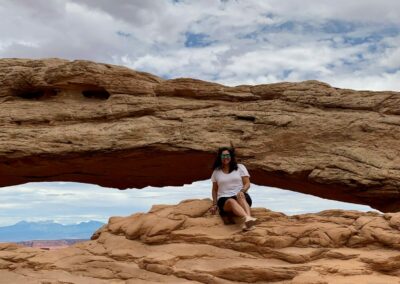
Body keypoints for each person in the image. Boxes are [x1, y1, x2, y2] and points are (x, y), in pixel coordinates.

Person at [209, 146, 258, 231]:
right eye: (223, 156)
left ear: (231, 156)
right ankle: (248, 218)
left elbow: (247, 183)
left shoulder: (240, 167)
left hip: (240, 195)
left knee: (240, 196)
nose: (225, 158)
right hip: (224, 199)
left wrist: (242, 191)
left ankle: (248, 221)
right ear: (220, 158)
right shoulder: (216, 172)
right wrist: (214, 204)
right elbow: (215, 189)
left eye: (227, 155)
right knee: (231, 201)